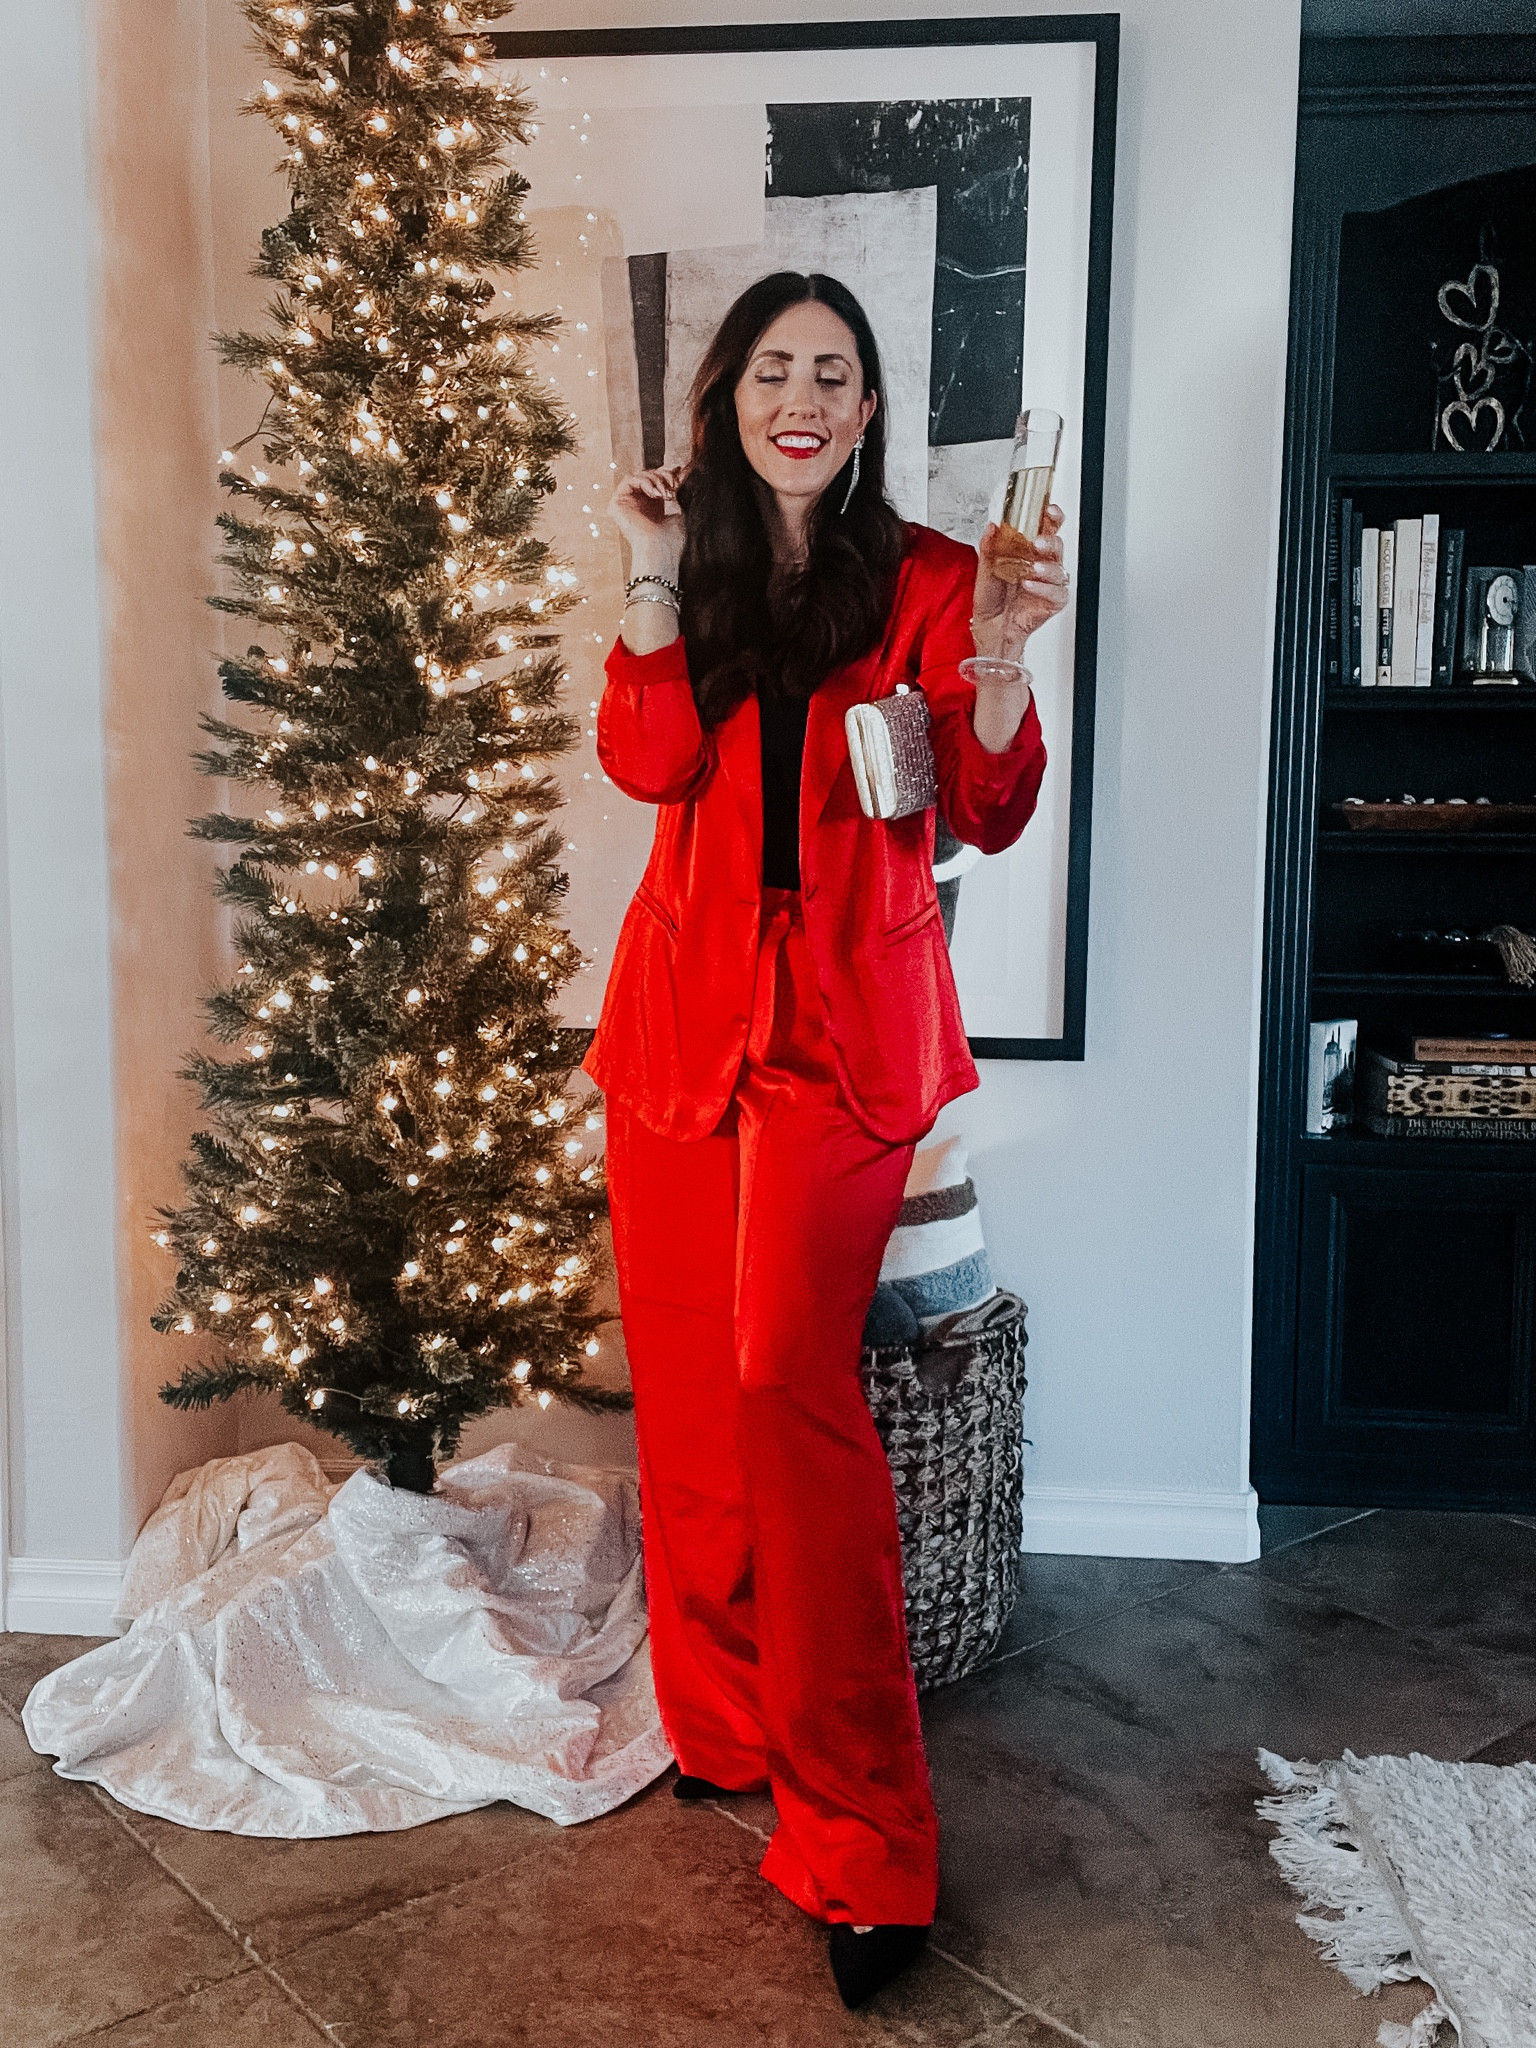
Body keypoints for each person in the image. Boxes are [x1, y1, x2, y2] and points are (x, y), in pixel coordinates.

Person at [586, 270, 1067, 2009]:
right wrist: (645, 576)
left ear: (868, 414)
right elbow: (644, 763)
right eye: (776, 369)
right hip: (677, 1031)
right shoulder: (696, 572)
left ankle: (867, 1844)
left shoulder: (938, 580)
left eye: (836, 375)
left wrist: (1003, 662)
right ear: (730, 399)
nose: (805, 396)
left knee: (793, 1394)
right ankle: (717, 1726)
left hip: (844, 1043)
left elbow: (991, 805)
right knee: (697, 1396)